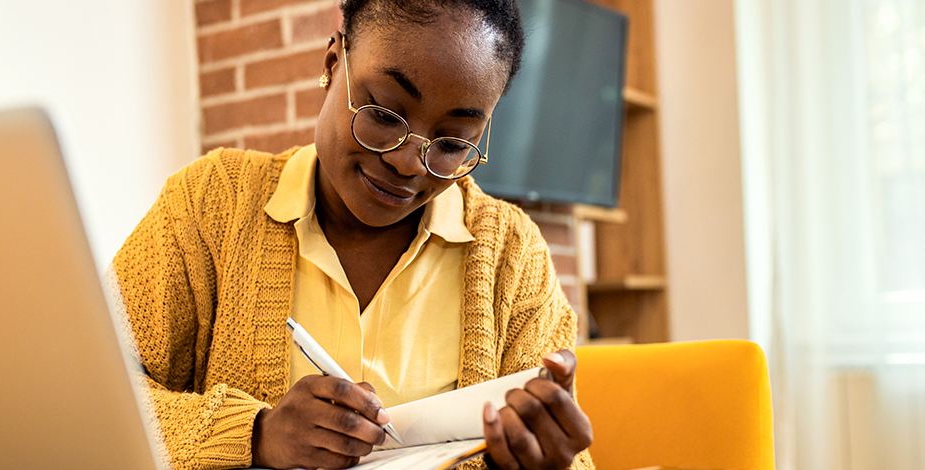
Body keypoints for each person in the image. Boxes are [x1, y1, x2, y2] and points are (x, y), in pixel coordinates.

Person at [107, 0, 595, 469]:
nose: (406, 163)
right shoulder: (211, 205)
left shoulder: (514, 257)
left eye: (452, 143)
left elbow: (569, 456)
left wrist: (547, 461)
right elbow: (87, 396)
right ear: (333, 62)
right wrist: (256, 434)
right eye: (384, 114)